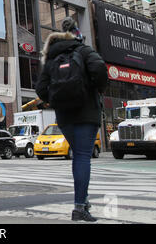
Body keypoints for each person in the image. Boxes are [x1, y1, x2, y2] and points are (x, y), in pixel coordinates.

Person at [36, 17, 107, 222]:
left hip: (65, 117)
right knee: (83, 156)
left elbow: (40, 89)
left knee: (78, 155)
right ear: (77, 35)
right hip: (87, 112)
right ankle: (79, 207)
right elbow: (100, 69)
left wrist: (56, 100)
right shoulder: (83, 50)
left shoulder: (50, 60)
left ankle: (82, 202)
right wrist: (95, 90)